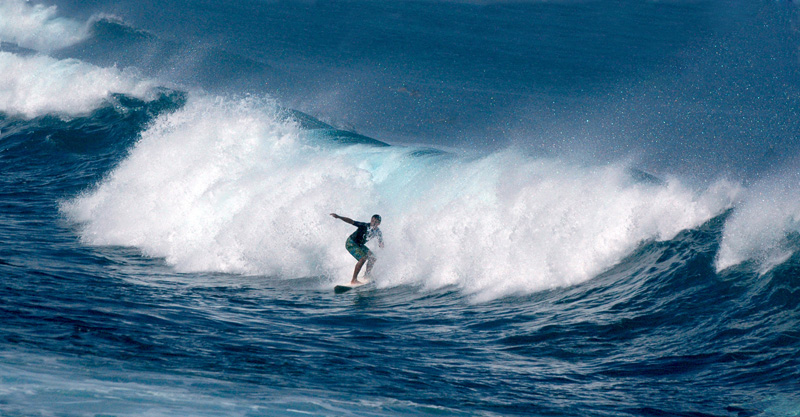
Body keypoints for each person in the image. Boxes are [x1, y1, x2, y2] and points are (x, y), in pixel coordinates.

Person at [330, 213, 384, 284]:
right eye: (372, 220)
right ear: (371, 220)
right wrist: (339, 217)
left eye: (376, 222)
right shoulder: (364, 226)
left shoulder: (378, 232)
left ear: (379, 223)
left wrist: (381, 245)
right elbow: (351, 221)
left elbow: (381, 242)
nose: (373, 223)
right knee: (363, 258)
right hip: (351, 243)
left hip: (359, 245)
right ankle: (354, 280)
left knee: (373, 258)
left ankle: (366, 275)